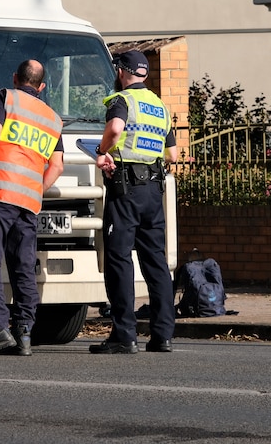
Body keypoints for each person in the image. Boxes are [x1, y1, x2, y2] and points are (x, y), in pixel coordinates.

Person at [0, 59, 65, 357]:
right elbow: (57, 166)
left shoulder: (5, 98)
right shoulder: (52, 118)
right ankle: (23, 333)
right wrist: (36, 187)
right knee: (23, 267)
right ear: (42, 86)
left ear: (15, 77)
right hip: (28, 201)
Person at [90, 49, 178, 354]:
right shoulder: (159, 106)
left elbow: (115, 129)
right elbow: (173, 155)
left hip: (125, 190)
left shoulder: (122, 100)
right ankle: (163, 335)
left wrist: (103, 151)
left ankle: (124, 336)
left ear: (121, 71)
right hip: (154, 191)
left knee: (119, 260)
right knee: (156, 262)